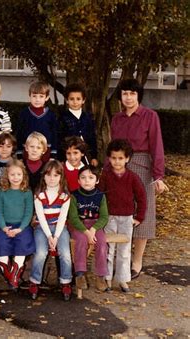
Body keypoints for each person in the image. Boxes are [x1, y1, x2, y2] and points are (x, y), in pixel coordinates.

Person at [111, 79, 167, 279]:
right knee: (119, 211)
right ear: (121, 97)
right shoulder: (116, 118)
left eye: (132, 94)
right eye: (125, 93)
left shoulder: (150, 116)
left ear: (138, 96)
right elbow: (112, 146)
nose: (128, 97)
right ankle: (120, 259)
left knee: (143, 213)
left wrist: (158, 175)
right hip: (119, 166)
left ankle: (136, 261)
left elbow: (157, 146)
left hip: (143, 166)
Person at [98, 139, 147, 292]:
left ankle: (123, 279)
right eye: (113, 158)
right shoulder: (105, 176)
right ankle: (107, 279)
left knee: (124, 250)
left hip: (127, 219)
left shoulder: (132, 177)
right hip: (109, 218)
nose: (117, 162)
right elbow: (99, 195)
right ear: (109, 158)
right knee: (109, 249)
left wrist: (139, 217)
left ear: (127, 159)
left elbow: (142, 197)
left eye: (120, 158)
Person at [29, 160, 72, 301]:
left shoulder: (65, 196)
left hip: (60, 228)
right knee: (41, 253)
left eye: (55, 175)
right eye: (48, 175)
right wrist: (49, 236)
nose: (52, 178)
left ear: (61, 177)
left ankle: (66, 282)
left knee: (65, 254)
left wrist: (56, 237)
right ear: (43, 176)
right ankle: (35, 281)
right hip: (43, 228)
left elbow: (62, 218)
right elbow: (40, 217)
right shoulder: (39, 195)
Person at [68, 165, 109, 292]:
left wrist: (93, 230)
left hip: (95, 226)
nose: (87, 180)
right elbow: (73, 218)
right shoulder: (74, 196)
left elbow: (104, 217)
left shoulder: (100, 196)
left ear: (96, 180)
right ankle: (80, 275)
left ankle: (100, 276)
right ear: (79, 180)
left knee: (102, 245)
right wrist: (86, 232)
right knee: (81, 242)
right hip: (79, 226)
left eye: (91, 177)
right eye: (83, 178)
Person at [0, 159, 34, 289]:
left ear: (23, 175)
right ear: (7, 175)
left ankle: (15, 277)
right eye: (12, 175)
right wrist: (3, 227)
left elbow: (28, 213)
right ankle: (9, 275)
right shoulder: (2, 191)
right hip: (4, 226)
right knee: (3, 246)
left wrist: (20, 228)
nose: (15, 178)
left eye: (18, 174)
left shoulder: (27, 192)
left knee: (22, 245)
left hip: (22, 227)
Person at [58, 83, 98, 166]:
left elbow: (92, 137)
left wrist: (94, 156)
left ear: (83, 100)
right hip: (70, 155)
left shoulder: (88, 117)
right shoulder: (63, 118)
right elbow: (59, 139)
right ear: (67, 100)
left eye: (78, 99)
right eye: (72, 99)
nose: (75, 102)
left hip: (86, 154)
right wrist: (61, 158)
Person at [16, 81, 57, 161]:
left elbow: (54, 135)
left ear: (47, 97)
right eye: (34, 96)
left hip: (46, 152)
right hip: (28, 152)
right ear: (30, 96)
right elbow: (19, 134)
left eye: (41, 96)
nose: (37, 99)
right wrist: (19, 153)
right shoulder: (24, 113)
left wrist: (53, 154)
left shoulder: (50, 115)